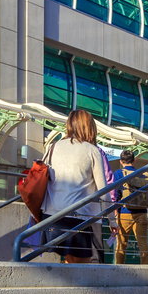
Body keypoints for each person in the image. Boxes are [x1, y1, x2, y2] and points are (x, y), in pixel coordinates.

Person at [42, 110, 107, 264]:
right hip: (76, 218)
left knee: (67, 265)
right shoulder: (92, 151)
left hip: (51, 217)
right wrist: (112, 220)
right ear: (90, 127)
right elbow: (103, 191)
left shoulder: (52, 146)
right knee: (83, 269)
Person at [114, 149, 148, 264]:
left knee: (121, 244)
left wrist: (115, 211)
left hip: (125, 212)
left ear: (121, 162)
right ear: (134, 161)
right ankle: (146, 270)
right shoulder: (142, 174)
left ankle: (118, 271)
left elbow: (115, 194)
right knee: (143, 243)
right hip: (142, 212)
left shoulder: (119, 173)